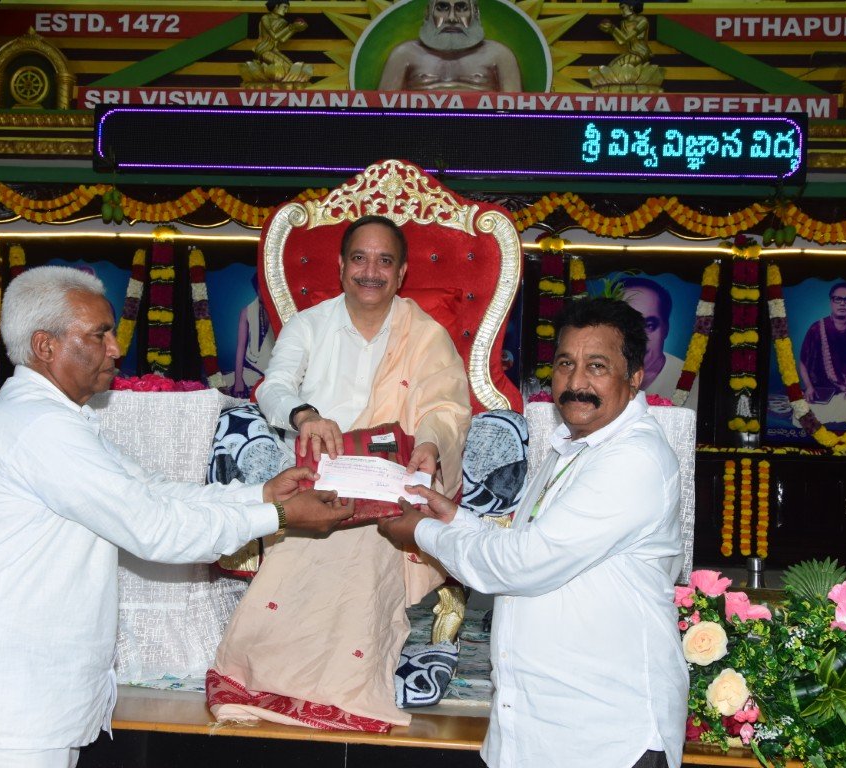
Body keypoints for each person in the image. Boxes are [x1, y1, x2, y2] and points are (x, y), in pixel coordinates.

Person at [0, 266, 350, 768]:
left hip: (19, 703)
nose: (115, 348)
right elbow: (155, 529)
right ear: (45, 346)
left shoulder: (60, 418)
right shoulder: (39, 427)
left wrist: (259, 495)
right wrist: (279, 516)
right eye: (99, 334)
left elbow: (152, 491)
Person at [379, 296, 688, 768]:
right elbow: (524, 542)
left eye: (597, 366)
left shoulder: (633, 458)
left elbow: (521, 564)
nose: (576, 382)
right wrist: (453, 518)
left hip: (605, 736)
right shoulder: (573, 448)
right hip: (536, 731)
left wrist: (423, 531)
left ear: (634, 377)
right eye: (565, 364)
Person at [206, 214, 475, 729]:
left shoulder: (425, 334)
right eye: (359, 258)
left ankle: (346, 692)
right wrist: (305, 416)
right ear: (341, 265)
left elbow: (446, 407)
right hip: (320, 473)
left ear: (401, 273)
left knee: (371, 545)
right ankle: (259, 679)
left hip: (393, 476)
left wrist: (429, 444)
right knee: (304, 545)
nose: (370, 271)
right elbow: (273, 387)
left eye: (384, 261)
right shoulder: (310, 325)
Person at [378, 0, 522, 92]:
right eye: (442, 7)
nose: (452, 18)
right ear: (428, 13)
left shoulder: (498, 55)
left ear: (476, 13)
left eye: (461, 8)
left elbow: (516, 114)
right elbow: (381, 111)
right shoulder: (404, 54)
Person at [797, 280, 846, 426]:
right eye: (838, 299)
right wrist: (808, 386)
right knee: (802, 419)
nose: (842, 303)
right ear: (831, 302)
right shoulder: (816, 328)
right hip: (819, 391)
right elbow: (803, 362)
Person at [621, 276, 698, 409]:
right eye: (626, 325)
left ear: (666, 329)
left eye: (650, 325)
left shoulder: (695, 384)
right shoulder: (593, 376)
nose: (639, 337)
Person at [230, 273, 274, 399]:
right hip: (250, 370)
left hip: (273, 371)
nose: (263, 291)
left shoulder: (279, 310)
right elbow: (240, 348)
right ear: (256, 288)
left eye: (266, 286)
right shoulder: (246, 311)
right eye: (260, 287)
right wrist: (238, 380)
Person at [253, 0, 308, 71]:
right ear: (276, 6)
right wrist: (290, 27)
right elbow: (274, 36)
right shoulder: (265, 18)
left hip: (274, 50)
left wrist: (294, 29)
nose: (286, 11)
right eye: (285, 7)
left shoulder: (283, 21)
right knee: (285, 67)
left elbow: (282, 39)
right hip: (263, 50)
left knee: (292, 67)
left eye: (287, 8)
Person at [599, 1, 651, 69]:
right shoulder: (623, 23)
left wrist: (613, 28)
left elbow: (626, 38)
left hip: (641, 53)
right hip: (631, 53)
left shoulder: (643, 21)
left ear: (631, 7)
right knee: (611, 66)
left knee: (615, 68)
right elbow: (621, 42)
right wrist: (610, 30)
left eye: (623, 8)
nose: (621, 11)